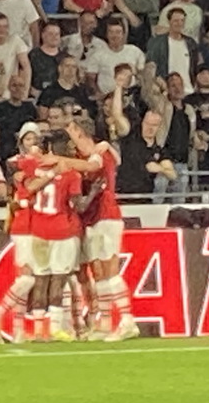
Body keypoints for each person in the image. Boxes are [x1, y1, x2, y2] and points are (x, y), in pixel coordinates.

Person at [48, 117, 139, 342]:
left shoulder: (100, 153)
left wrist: (57, 159)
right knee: (98, 273)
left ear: (79, 133)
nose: (68, 138)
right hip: (92, 219)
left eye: (70, 131)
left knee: (109, 269)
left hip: (106, 216)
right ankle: (105, 323)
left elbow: (94, 166)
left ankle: (127, 320)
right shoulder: (83, 156)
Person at [26, 129, 84, 342]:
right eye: (66, 146)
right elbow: (78, 205)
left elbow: (26, 188)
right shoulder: (71, 174)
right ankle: (55, 328)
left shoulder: (37, 168)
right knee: (58, 281)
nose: (69, 149)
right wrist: (95, 191)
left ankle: (38, 330)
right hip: (61, 231)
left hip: (38, 230)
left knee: (40, 280)